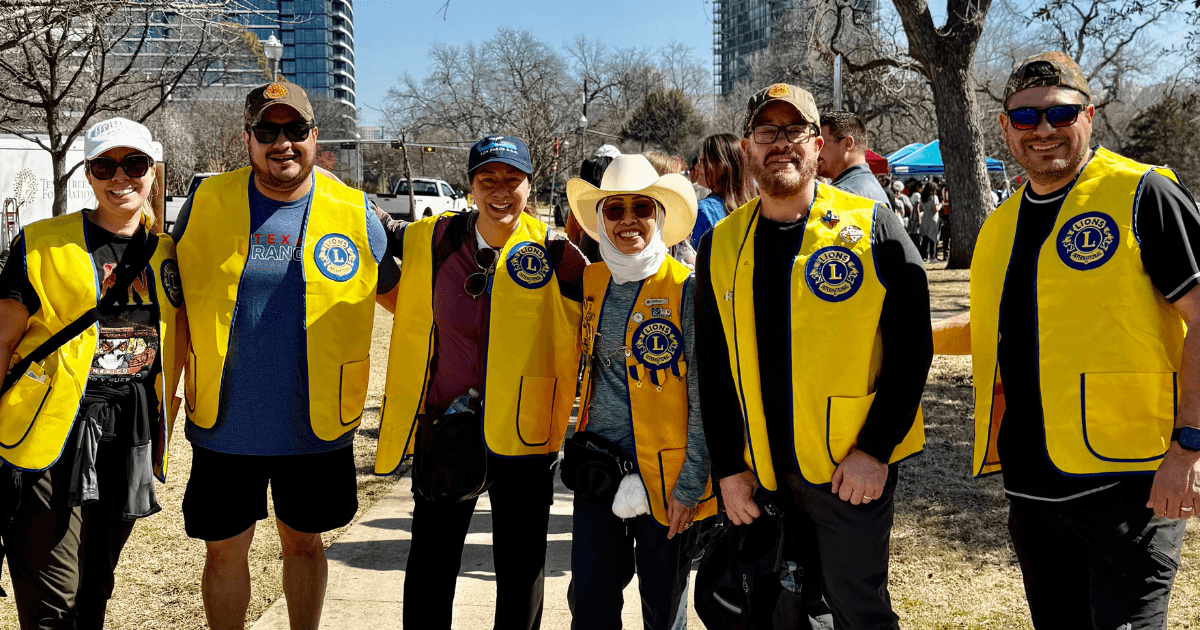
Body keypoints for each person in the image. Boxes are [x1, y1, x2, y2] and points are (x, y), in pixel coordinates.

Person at [932, 52, 1200, 629]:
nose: (1044, 130)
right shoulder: (999, 227)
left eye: (1060, 112)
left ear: (1089, 115)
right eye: (1026, 118)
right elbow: (1006, 333)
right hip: (1032, 489)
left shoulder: (1142, 193)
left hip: (1132, 483)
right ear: (1004, 127)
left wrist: (1188, 448)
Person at [695, 83, 932, 630]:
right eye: (765, 132)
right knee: (778, 610)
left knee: (858, 611)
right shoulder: (721, 243)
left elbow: (911, 347)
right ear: (747, 148)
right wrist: (728, 467)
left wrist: (875, 450)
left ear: (818, 142)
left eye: (794, 130)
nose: (780, 144)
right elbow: (714, 365)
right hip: (762, 473)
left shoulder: (871, 225)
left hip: (848, 470)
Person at [172, 81, 400, 630]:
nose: (283, 143)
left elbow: (405, 304)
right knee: (224, 551)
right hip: (226, 424)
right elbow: (169, 301)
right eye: (267, 131)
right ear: (246, 139)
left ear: (314, 136)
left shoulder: (355, 210)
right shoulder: (205, 203)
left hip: (316, 424)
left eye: (295, 130)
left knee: (304, 544)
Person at [373, 135, 586, 630]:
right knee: (431, 565)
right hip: (448, 424)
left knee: (520, 571)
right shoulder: (436, 239)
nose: (500, 190)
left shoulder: (557, 254)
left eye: (513, 179)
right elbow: (365, 224)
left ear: (530, 186)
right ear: (470, 186)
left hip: (526, 432)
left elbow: (599, 312)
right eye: (487, 178)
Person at [0, 117, 187, 629]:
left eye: (134, 163)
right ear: (88, 172)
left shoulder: (168, 253)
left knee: (95, 590)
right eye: (104, 165)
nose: (119, 177)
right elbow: (2, 341)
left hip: (128, 436)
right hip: (50, 436)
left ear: (152, 171)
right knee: (52, 600)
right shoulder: (41, 244)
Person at [563, 153, 716, 629]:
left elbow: (703, 394)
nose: (628, 221)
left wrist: (691, 485)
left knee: (664, 609)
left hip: (668, 480)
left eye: (641, 209)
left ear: (659, 216)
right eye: (614, 210)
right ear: (601, 220)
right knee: (589, 604)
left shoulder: (687, 288)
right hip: (597, 471)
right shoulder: (591, 280)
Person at [817, 111, 891, 207]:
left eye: (821, 144)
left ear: (847, 143)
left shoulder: (844, 195)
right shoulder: (873, 188)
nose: (816, 151)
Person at [693, 133, 753, 245]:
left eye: (703, 161)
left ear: (723, 166)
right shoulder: (753, 209)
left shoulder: (703, 211)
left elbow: (693, 259)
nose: (697, 167)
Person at [917, 183, 941, 261]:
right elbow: (936, 209)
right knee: (933, 238)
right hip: (933, 219)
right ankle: (932, 257)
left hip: (925, 218)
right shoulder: (934, 197)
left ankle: (924, 256)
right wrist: (941, 204)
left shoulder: (923, 197)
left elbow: (921, 208)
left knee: (925, 238)